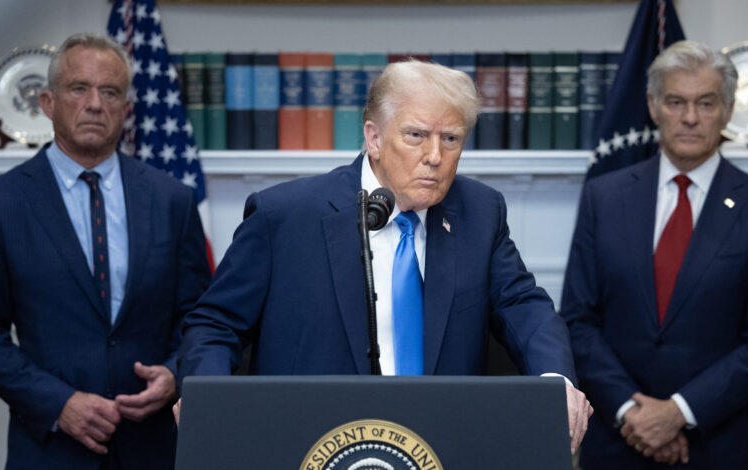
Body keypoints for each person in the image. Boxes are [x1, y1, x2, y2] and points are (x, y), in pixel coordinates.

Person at [175, 59, 592, 453]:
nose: (434, 155)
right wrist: (207, 396)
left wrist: (555, 382)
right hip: (310, 444)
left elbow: (523, 306)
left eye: (450, 139)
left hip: (441, 445)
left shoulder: (480, 212)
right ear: (374, 138)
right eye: (416, 135)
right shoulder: (284, 216)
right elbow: (215, 323)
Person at [0, 33, 212, 470]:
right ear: (47, 103)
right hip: (49, 451)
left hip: (155, 449)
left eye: (109, 92)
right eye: (78, 88)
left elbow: (200, 316)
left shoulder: (171, 200)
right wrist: (58, 403)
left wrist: (176, 374)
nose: (94, 104)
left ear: (126, 109)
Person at [560, 40, 748, 469]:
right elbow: (578, 320)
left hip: (720, 444)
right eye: (675, 102)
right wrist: (634, 413)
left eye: (706, 103)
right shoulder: (604, 197)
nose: (690, 118)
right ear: (652, 106)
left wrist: (678, 413)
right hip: (617, 442)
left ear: (727, 111)